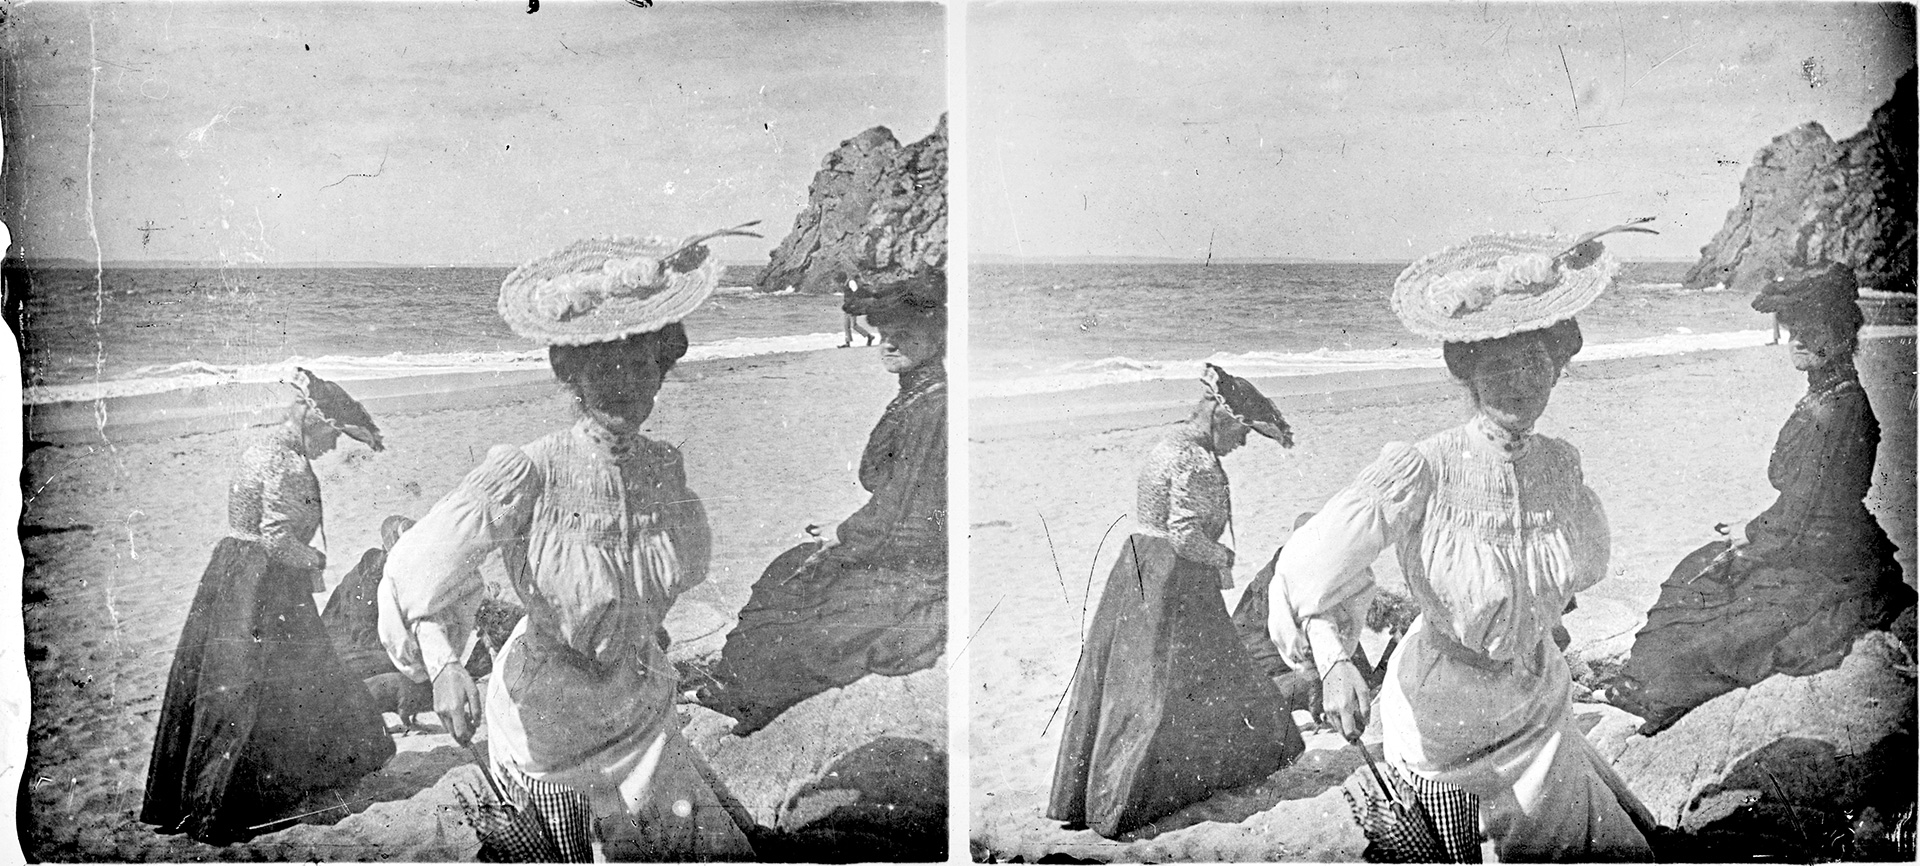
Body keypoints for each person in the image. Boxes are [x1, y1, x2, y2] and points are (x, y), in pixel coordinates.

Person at [1271, 229, 1661, 861]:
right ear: (1469, 373)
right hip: (1445, 717)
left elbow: (1573, 572)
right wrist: (1335, 661)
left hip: (1539, 699)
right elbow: (1307, 567)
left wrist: (1538, 623)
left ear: (1557, 369)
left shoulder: (1561, 465)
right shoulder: (1423, 467)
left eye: (1535, 361)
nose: (1519, 382)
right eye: (1498, 366)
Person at [378, 228, 761, 861]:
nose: (625, 381)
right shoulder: (528, 471)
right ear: (570, 372)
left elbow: (662, 581)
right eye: (602, 363)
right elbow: (416, 570)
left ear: (662, 368)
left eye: (641, 360)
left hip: (641, 708)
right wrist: (444, 664)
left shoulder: (664, 467)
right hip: (547, 726)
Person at [1606, 261, 1915, 735]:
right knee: (1699, 571)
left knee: (1717, 624)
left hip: (1825, 558)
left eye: (1815, 331)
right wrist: (1750, 532)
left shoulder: (1835, 410)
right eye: (1795, 329)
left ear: (1842, 336)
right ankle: (1644, 685)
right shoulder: (1828, 396)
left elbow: (1807, 515)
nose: (1799, 340)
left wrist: (1748, 536)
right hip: (1813, 538)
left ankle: (1652, 695)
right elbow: (1802, 502)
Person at [1047, 364, 1304, 839]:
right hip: (1176, 579)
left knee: (1129, 680)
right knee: (1179, 681)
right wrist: (1223, 554)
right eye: (1243, 432)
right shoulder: (1200, 462)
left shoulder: (1168, 446)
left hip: (1137, 565)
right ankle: (1128, 798)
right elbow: (1186, 535)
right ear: (1221, 419)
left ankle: (1096, 794)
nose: (1242, 444)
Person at [140, 368, 396, 845]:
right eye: (332, 436)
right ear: (313, 422)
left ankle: (200, 792)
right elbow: (278, 540)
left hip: (230, 572)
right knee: (275, 681)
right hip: (267, 583)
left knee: (224, 680)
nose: (333, 447)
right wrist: (315, 557)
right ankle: (232, 797)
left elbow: (251, 522)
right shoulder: (292, 465)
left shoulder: (260, 448)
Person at [695, 270, 948, 736]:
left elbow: (909, 510)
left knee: (803, 611)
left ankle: (749, 697)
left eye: (905, 334)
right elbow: (901, 495)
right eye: (885, 333)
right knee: (789, 572)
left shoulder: (932, 407)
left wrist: (845, 535)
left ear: (939, 335)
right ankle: (740, 687)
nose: (889, 344)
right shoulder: (917, 395)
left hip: (919, 564)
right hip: (902, 542)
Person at [839, 275, 875, 348]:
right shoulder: (847, 283)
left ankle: (869, 336)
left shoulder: (851, 282)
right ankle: (847, 342)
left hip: (852, 306)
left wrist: (851, 304)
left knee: (853, 325)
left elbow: (856, 293)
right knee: (846, 325)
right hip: (848, 306)